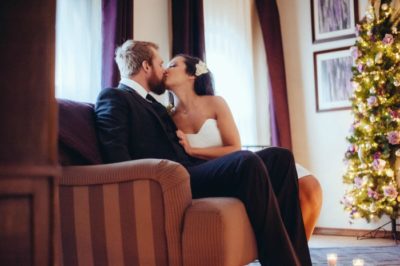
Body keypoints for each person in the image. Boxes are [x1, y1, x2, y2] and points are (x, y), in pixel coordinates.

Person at [95, 40, 312, 265]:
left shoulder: (155, 105)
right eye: (160, 64)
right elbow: (116, 157)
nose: (164, 70)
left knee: (280, 157)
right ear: (146, 66)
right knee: (245, 162)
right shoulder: (113, 97)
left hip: (191, 167)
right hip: (172, 179)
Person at [164, 54, 323, 241]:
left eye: (173, 65)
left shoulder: (216, 103)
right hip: (225, 175)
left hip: (240, 162)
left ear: (192, 74)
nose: (166, 69)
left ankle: (296, 250)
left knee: (310, 187)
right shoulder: (167, 117)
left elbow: (235, 147)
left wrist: (194, 150)